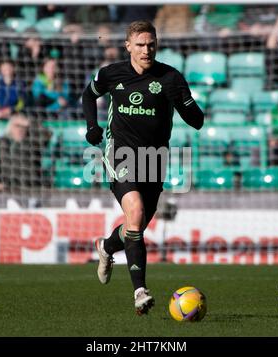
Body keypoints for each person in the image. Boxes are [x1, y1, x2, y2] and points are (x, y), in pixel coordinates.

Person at [82, 20, 204, 315]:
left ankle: (107, 247)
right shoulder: (111, 74)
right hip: (120, 154)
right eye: (140, 45)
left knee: (134, 227)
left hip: (154, 160)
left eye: (151, 44)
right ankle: (140, 292)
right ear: (128, 46)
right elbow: (89, 95)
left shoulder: (171, 78)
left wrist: (183, 102)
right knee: (135, 213)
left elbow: (197, 120)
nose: (146, 50)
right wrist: (91, 127)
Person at [0, 112, 52, 205]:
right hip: (8, 189)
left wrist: (29, 122)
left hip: (30, 188)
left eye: (23, 127)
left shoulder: (33, 143)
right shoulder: (1, 142)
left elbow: (47, 135)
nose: (20, 130)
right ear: (10, 127)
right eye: (17, 126)